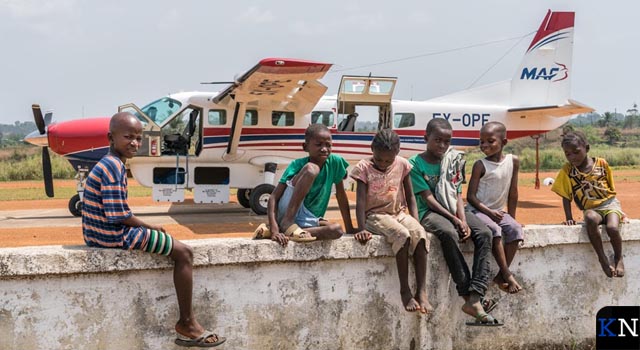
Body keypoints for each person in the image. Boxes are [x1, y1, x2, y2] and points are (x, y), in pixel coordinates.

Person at [82, 112, 225, 347]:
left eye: (138, 138)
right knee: (184, 253)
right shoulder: (113, 166)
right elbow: (118, 215)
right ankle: (187, 323)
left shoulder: (109, 162)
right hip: (113, 235)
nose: (135, 143)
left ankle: (186, 325)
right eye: (128, 137)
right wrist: (151, 226)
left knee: (175, 246)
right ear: (111, 137)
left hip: (97, 233)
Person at [409, 118, 501, 326]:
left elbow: (457, 193)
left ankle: (476, 294)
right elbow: (427, 198)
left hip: (452, 208)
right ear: (426, 138)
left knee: (485, 233)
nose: (442, 146)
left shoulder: (453, 160)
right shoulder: (415, 163)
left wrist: (462, 218)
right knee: (449, 233)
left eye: (447, 141)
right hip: (429, 212)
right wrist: (455, 220)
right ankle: (466, 295)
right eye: (437, 140)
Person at [350, 129, 432, 314]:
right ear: (372, 150)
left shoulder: (403, 164)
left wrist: (416, 221)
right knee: (401, 235)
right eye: (379, 159)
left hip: (399, 213)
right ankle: (405, 290)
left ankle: (422, 290)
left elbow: (410, 196)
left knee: (419, 234)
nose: (383, 164)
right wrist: (361, 228)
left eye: (388, 160)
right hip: (375, 215)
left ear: (397, 153)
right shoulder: (363, 168)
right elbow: (361, 202)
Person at [254, 123, 355, 246]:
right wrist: (275, 229)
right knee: (312, 169)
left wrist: (349, 228)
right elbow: (273, 197)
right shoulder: (297, 165)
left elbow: (341, 195)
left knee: (337, 230)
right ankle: (286, 224)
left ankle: (289, 232)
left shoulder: (336, 162)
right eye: (318, 145)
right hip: (288, 212)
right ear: (305, 147)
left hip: (309, 218)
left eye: (328, 145)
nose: (324, 149)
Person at [551, 131, 625, 278]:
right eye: (568, 154)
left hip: (610, 205)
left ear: (587, 148)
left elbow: (610, 188)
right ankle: (602, 258)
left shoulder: (602, 164)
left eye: (576, 152)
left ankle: (618, 257)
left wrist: (619, 210)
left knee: (612, 227)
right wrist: (569, 217)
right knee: (590, 219)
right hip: (592, 209)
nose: (572, 157)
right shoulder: (568, 170)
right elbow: (566, 195)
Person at [466, 122, 523, 294]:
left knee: (515, 229)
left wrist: (512, 217)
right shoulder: (480, 165)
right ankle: (507, 274)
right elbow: (470, 197)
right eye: (481, 142)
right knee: (494, 230)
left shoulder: (513, 161)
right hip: (478, 211)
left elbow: (513, 192)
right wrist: (489, 212)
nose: (484, 146)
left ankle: (499, 276)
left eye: (490, 141)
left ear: (504, 142)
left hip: (498, 211)